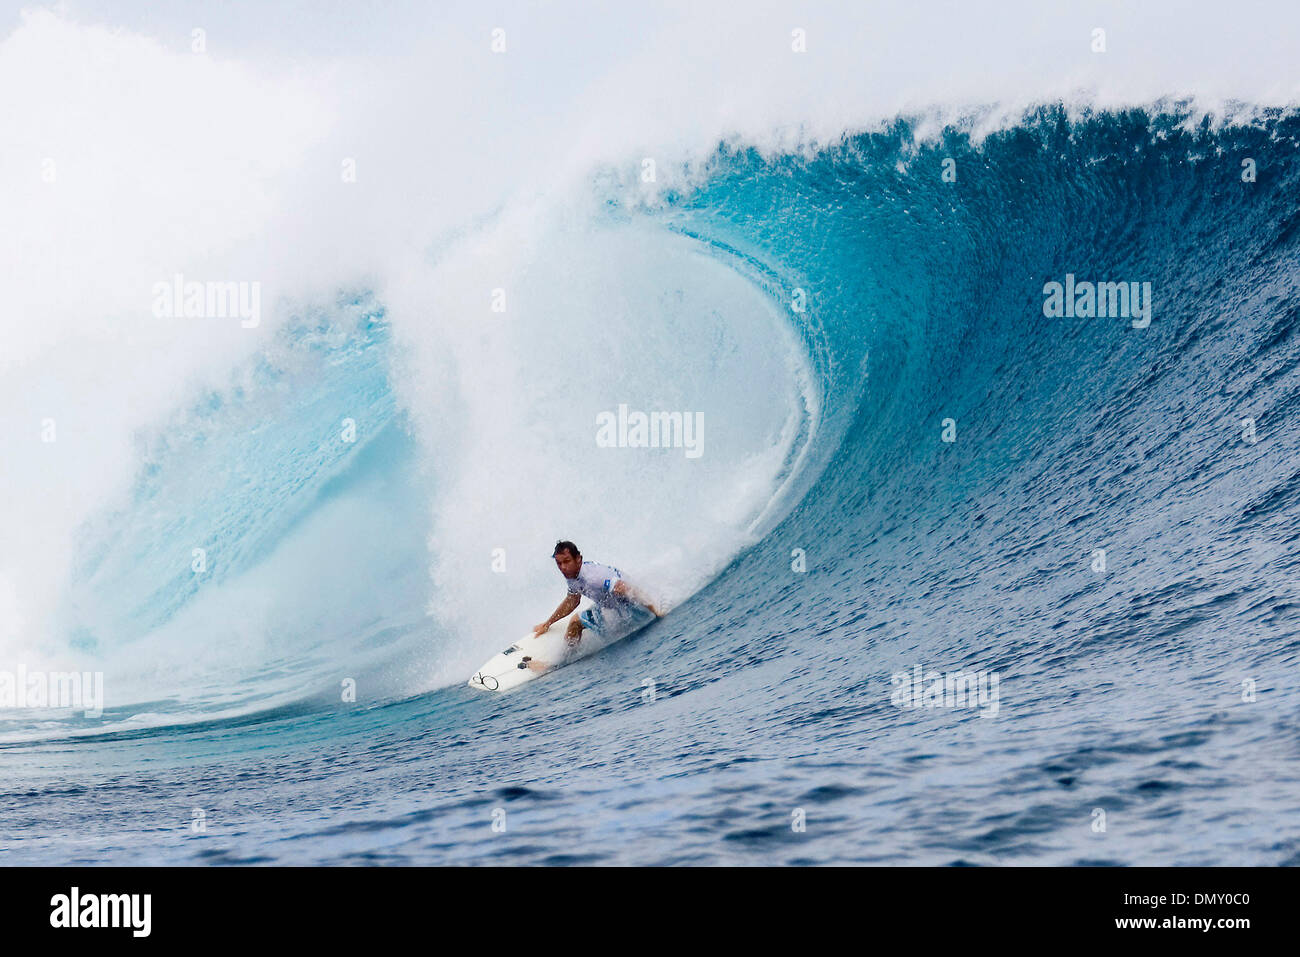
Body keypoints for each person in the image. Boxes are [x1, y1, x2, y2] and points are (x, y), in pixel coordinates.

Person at [524, 541, 662, 670]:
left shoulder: (594, 576)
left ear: (579, 559)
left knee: (577, 622)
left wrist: (656, 611)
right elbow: (573, 600)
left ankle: (554, 665)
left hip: (632, 608)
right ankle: (560, 662)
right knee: (575, 622)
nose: (563, 568)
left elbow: (627, 589)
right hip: (611, 607)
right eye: (559, 563)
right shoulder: (572, 576)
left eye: (566, 561)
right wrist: (548, 623)